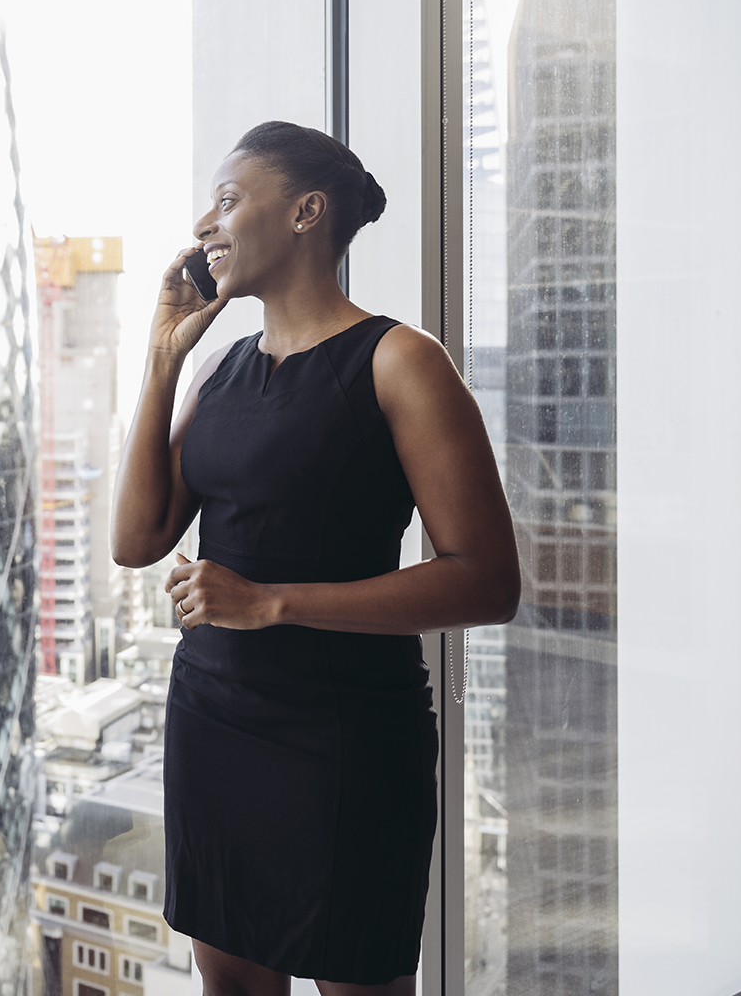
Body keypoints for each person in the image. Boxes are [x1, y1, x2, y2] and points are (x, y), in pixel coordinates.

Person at [111, 121, 521, 996]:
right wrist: (161, 360)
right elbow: (137, 540)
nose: (204, 225)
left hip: (344, 740)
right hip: (213, 722)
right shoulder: (220, 369)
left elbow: (488, 580)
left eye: (227, 201)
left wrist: (273, 601)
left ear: (306, 212)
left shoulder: (402, 362)